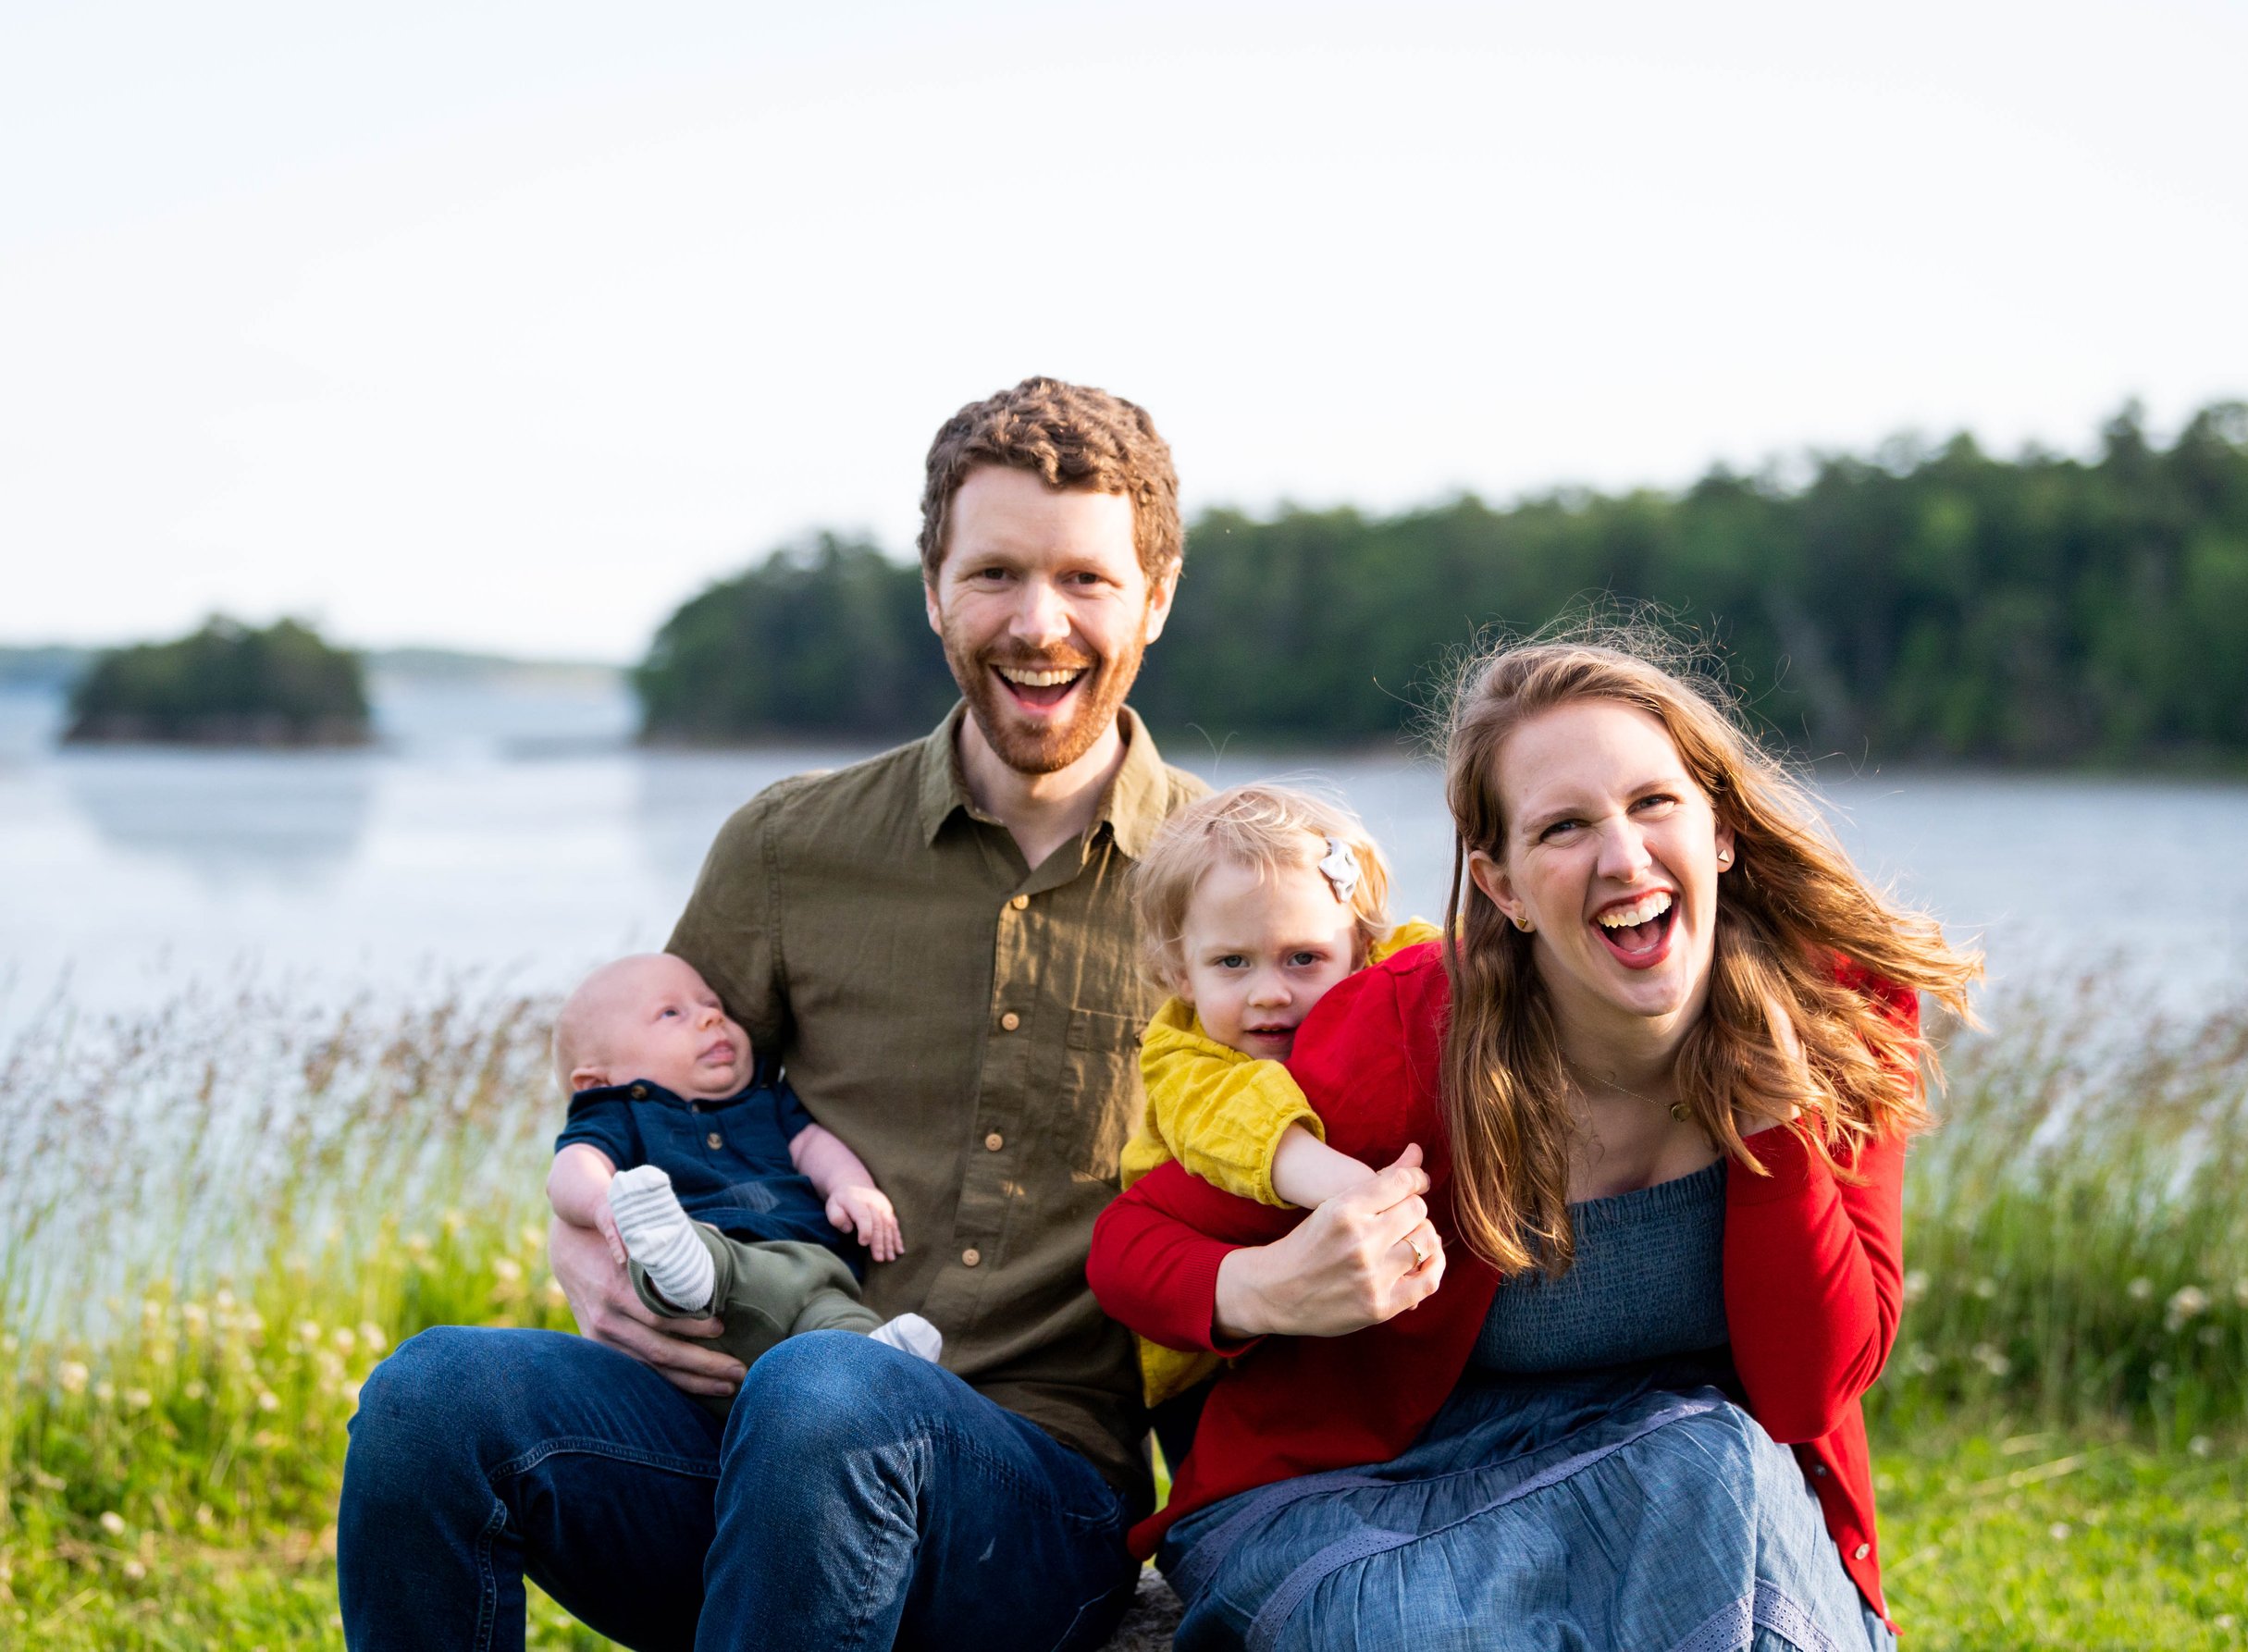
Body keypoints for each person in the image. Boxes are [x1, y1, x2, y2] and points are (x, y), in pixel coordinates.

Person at [339, 376, 1208, 1652]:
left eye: (1085, 578)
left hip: (1031, 1510)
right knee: (431, 1396)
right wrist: (582, 1248)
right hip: (745, 1438)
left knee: (834, 1387)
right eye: (996, 574)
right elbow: (641, 1094)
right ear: (932, 587)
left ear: (1157, 594)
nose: (1039, 623)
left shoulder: (1237, 880)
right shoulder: (791, 844)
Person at [1088, 633, 1982, 1650]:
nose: (1623, 856)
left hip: (1685, 1480)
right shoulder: (1408, 1033)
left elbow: (1812, 1385)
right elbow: (1134, 1239)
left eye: (1654, 802)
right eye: (1563, 826)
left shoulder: (1834, 1015)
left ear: (1719, 828)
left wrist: (1773, 1134)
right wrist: (1268, 1286)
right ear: (1499, 883)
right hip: (1377, 1495)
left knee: (1711, 1473)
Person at [1112, 782, 1437, 1410]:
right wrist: (1359, 1192)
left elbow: (1426, 962)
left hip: (1340, 1309)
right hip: (1206, 1352)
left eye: (1304, 958)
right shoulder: (1180, 1053)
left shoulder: (1370, 975)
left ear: (1360, 951)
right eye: (1232, 963)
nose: (1269, 993)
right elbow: (1241, 1124)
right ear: (1182, 972)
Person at [545, 951, 943, 1410]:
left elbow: (812, 1145)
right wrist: (603, 1202)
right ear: (597, 1082)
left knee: (834, 1315)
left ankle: (880, 1366)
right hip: (704, 1291)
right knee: (682, 1249)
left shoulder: (766, 1100)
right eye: (671, 1013)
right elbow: (572, 1167)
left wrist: (851, 1186)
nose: (712, 1017)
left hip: (804, 1270)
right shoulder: (623, 1112)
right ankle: (685, 1271)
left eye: (713, 1005)